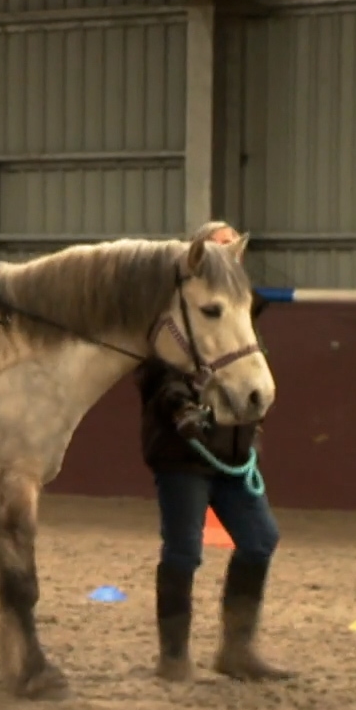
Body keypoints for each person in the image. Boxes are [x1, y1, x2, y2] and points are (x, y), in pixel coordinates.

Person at [141, 221, 291, 684]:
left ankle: (237, 648)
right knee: (184, 551)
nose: (231, 258)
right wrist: (181, 407)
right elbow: (159, 375)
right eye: (220, 250)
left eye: (233, 251)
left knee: (260, 539)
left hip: (233, 451)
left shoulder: (237, 314)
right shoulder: (176, 314)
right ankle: (173, 657)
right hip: (184, 455)